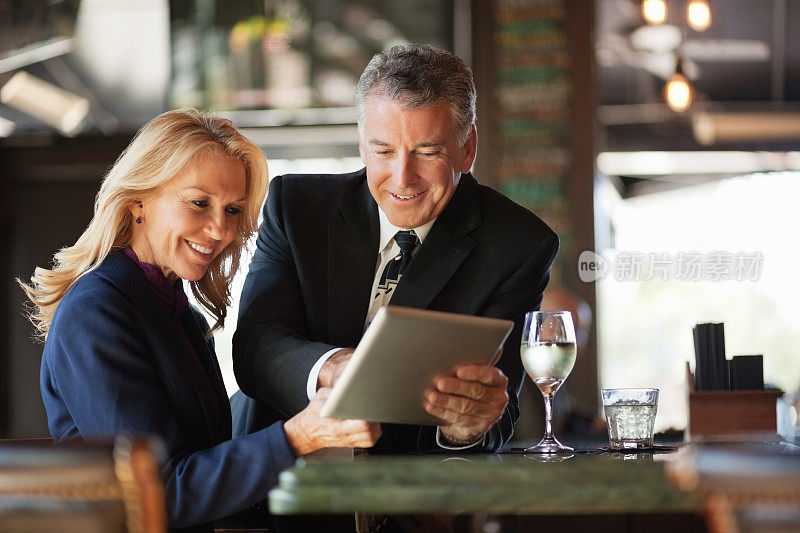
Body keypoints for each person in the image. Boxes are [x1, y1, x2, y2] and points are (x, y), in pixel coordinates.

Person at [19, 108, 380, 531]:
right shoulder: (96, 311)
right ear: (139, 202)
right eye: (198, 203)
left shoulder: (177, 311)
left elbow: (204, 472)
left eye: (232, 211)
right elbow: (157, 495)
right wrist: (300, 435)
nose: (218, 230)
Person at [233, 44, 559, 454]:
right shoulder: (295, 207)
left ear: (467, 148)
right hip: (277, 481)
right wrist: (334, 368)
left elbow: (499, 411)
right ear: (361, 144)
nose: (402, 179)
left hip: (407, 498)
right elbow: (255, 350)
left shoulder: (518, 244)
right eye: (383, 151)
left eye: (427, 151)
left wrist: (466, 428)